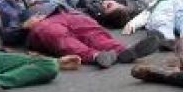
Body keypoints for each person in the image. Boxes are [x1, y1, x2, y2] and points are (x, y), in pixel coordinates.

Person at [19, 10, 159, 68]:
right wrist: (23, 26)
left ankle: (122, 51)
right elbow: (8, 32)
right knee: (58, 35)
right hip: (39, 24)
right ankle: (96, 56)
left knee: (90, 30)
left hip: (62, 13)